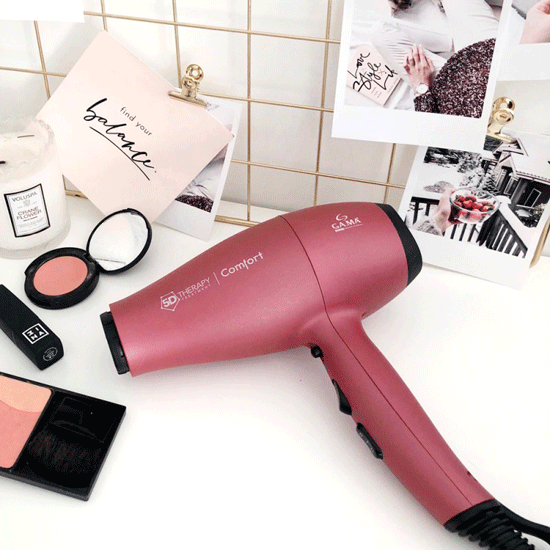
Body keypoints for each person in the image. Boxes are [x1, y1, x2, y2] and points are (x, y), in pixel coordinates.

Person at [372, 0, 499, 117]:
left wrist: (421, 88)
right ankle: (454, 41)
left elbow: (431, 127)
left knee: (381, 33)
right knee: (381, 32)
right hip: (490, 63)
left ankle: (454, 42)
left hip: (461, 93)